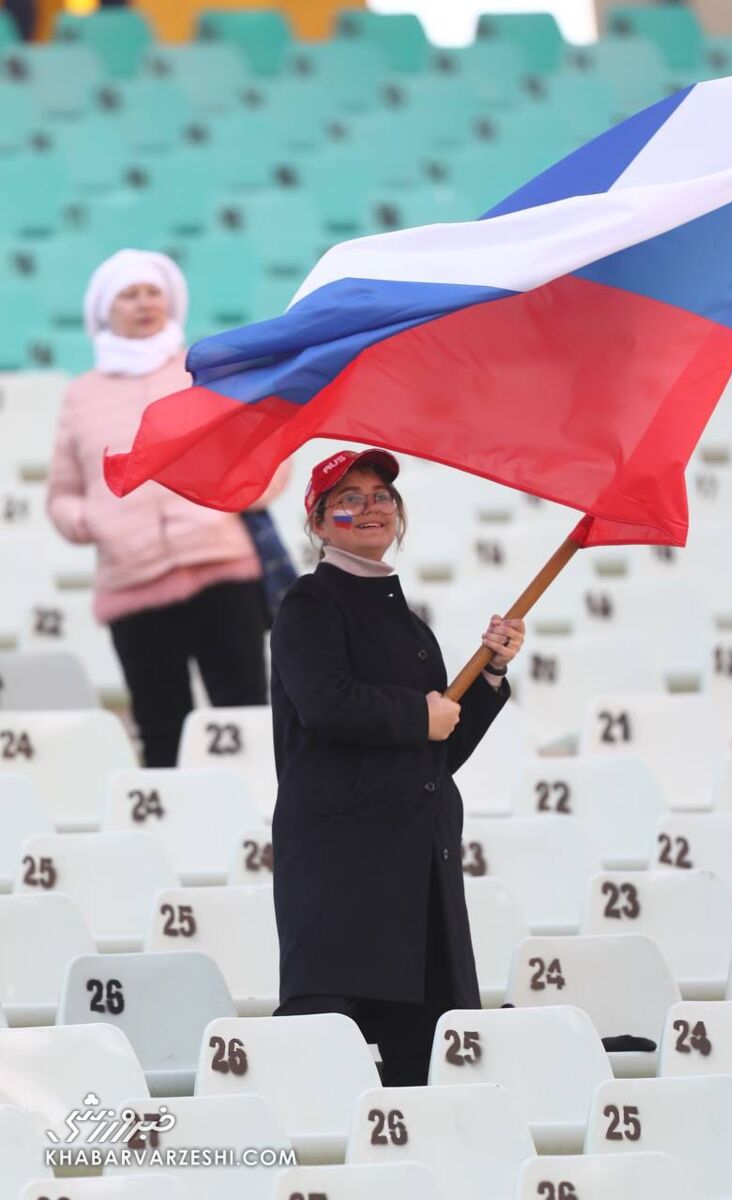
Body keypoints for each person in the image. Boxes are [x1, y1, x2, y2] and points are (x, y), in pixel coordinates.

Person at [269, 447, 525, 1085]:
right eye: (349, 499)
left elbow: (439, 755)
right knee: (322, 1052)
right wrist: (418, 716)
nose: (370, 508)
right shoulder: (309, 603)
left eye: (382, 496)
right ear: (321, 523)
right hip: (342, 864)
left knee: (425, 1061)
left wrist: (489, 675)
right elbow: (326, 704)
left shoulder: (410, 626)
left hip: (416, 864)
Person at [46, 248, 290, 767]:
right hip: (131, 584)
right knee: (161, 729)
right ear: (103, 311)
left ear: (171, 300)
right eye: (128, 295)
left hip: (222, 570)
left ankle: (260, 833)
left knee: (245, 715)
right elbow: (62, 493)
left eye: (152, 291)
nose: (143, 303)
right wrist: (90, 521)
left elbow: (264, 449)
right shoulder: (81, 394)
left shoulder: (204, 367)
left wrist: (239, 493)